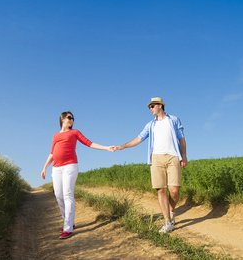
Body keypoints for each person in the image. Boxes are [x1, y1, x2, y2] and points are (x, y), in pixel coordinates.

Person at [115, 97, 187, 233]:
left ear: (160, 105)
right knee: (161, 190)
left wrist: (184, 156)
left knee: (174, 190)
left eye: (152, 106)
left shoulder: (174, 120)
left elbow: (181, 139)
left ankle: (171, 211)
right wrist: (123, 146)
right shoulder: (150, 125)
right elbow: (139, 138)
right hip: (156, 158)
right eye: (149, 107)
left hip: (173, 157)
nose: (150, 109)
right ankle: (167, 222)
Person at [41, 111, 115, 239]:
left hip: (70, 165)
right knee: (58, 195)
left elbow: (89, 143)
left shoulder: (75, 133)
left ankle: (68, 228)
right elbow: (52, 152)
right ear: (62, 119)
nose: (71, 120)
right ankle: (68, 221)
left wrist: (106, 147)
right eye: (69, 117)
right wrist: (45, 167)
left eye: (73, 118)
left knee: (67, 194)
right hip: (56, 168)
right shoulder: (55, 135)